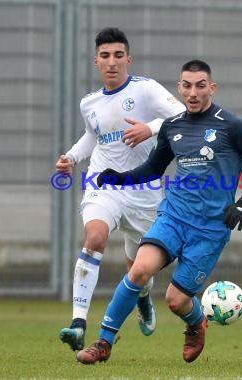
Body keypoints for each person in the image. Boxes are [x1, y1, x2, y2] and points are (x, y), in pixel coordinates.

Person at [75, 59, 242, 364]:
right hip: (173, 217)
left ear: (212, 88)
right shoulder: (172, 125)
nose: (192, 92)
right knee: (139, 270)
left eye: (200, 85)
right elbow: (154, 168)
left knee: (176, 300)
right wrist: (119, 177)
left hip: (210, 228)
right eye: (186, 85)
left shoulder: (233, 126)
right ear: (179, 88)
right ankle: (103, 342)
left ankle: (195, 322)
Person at [55, 27, 186, 352]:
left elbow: (182, 114)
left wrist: (150, 128)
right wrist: (71, 158)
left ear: (128, 58)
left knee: (138, 270)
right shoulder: (90, 103)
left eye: (117, 55)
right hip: (104, 183)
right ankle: (78, 324)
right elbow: (92, 136)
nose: (111, 62)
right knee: (95, 237)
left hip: (144, 193)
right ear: (96, 61)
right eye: (104, 56)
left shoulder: (145, 90)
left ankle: (143, 299)